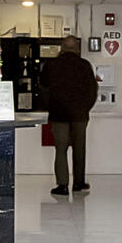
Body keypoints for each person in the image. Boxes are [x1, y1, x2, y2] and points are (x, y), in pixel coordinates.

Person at [43, 47, 98, 196]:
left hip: (58, 114)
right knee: (79, 149)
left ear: (62, 48)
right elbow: (93, 90)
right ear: (76, 49)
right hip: (79, 115)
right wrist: (85, 108)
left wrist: (50, 106)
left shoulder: (51, 65)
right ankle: (79, 183)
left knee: (60, 150)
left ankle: (62, 185)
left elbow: (42, 88)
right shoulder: (85, 65)